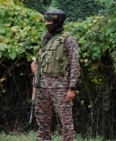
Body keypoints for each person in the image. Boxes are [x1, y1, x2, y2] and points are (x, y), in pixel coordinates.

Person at [31, 8, 80, 141]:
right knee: (42, 119)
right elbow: (40, 59)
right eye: (46, 21)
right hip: (42, 84)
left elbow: (75, 64)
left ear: (57, 23)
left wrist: (72, 87)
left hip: (60, 86)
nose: (47, 24)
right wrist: (35, 67)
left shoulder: (69, 40)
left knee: (66, 122)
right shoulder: (45, 38)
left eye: (49, 22)